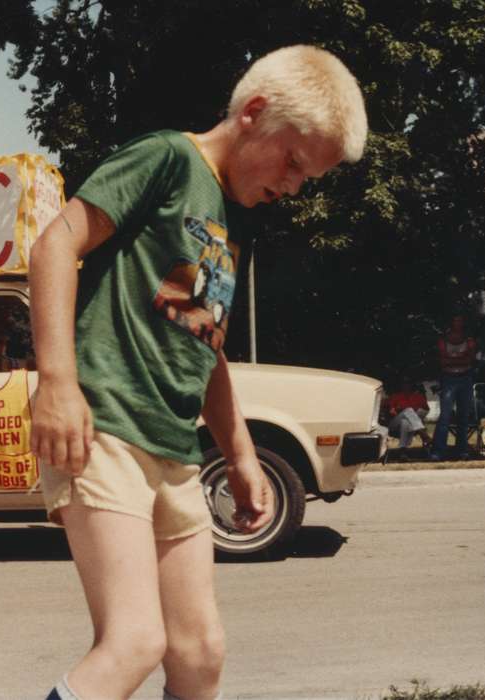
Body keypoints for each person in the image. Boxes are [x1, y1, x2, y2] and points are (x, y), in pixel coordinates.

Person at [28, 45, 366, 700]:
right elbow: (54, 244)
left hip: (175, 452)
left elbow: (203, 340)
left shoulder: (231, 219)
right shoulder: (166, 158)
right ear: (255, 113)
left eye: (308, 179)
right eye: (293, 162)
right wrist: (58, 382)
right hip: (106, 427)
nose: (293, 186)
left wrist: (240, 455)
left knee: (200, 652)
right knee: (133, 643)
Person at [430, 314, 478, 460]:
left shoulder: (469, 340)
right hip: (448, 378)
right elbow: (443, 362)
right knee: (445, 416)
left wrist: (453, 359)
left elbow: (470, 359)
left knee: (463, 416)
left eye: (460, 320)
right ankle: (438, 451)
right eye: (455, 320)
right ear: (451, 323)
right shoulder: (443, 340)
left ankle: (462, 450)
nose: (458, 323)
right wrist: (461, 358)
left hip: (465, 379)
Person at [386, 378, 431, 453]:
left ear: (412, 385)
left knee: (405, 422)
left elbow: (425, 410)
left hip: (411, 424)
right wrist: (399, 410)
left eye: (408, 383)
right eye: (404, 383)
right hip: (395, 423)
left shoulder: (419, 397)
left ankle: (403, 450)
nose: (406, 385)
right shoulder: (396, 396)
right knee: (408, 411)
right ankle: (424, 434)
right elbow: (391, 411)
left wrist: (416, 413)